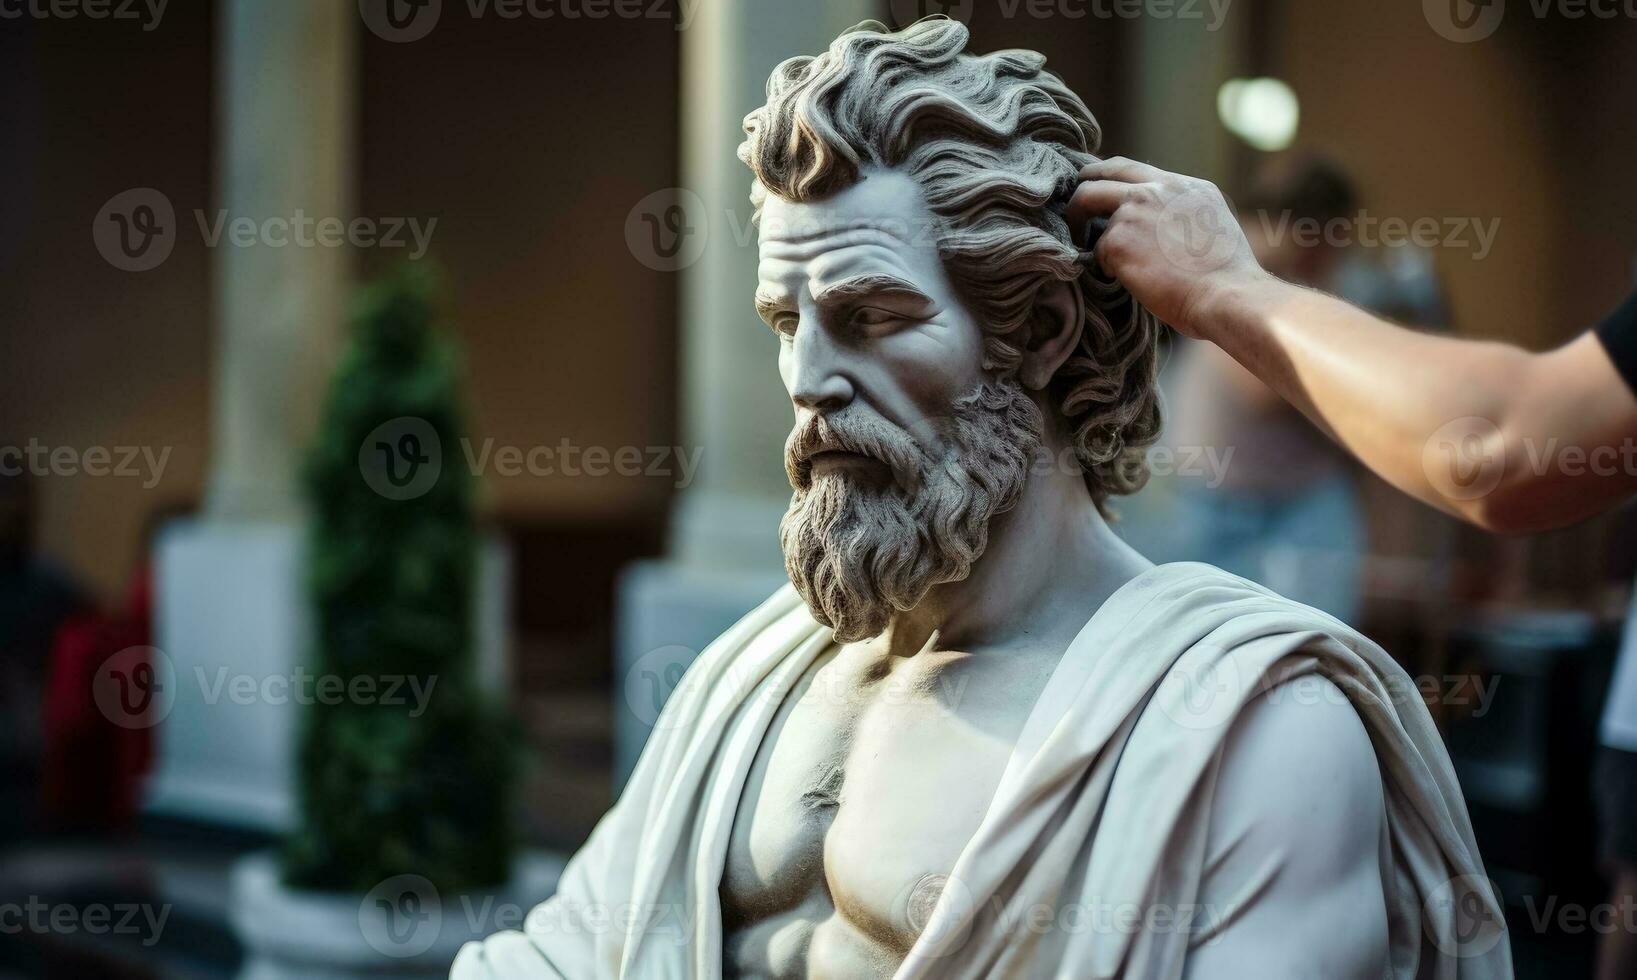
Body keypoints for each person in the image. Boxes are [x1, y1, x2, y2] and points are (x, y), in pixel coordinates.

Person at [455, 19, 1506, 978]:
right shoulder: (751, 679)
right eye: (789, 322)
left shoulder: (1259, 736)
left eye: (870, 314)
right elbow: (561, 953)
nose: (810, 377)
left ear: (1040, 330)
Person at [1070, 154, 1637, 980]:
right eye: (1315, 243)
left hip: (1273, 569)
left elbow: (1488, 445)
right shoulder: (1247, 338)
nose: (1318, 260)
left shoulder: (1275, 316)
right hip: (1226, 561)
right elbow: (1468, 439)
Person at [1121, 153, 1369, 622]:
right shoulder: (1240, 266)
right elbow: (1264, 386)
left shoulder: (1317, 281)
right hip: (1204, 506)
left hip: (1295, 510)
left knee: (1306, 645)